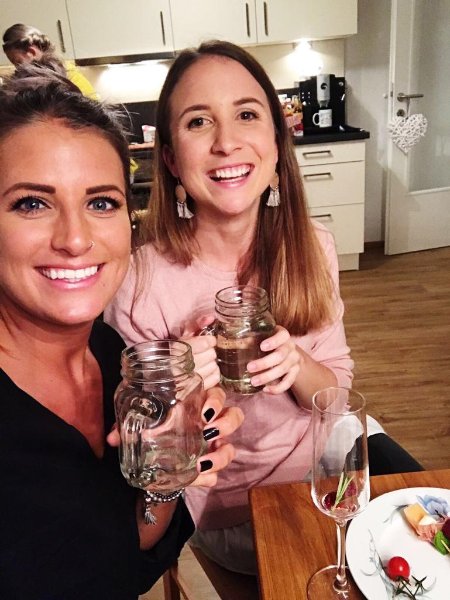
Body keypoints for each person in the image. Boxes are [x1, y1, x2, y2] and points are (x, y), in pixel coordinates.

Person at [105, 40, 423, 576]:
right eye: (199, 121)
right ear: (171, 159)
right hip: (236, 509)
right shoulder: (137, 283)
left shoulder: (313, 246)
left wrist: (297, 363)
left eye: (247, 115)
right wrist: (175, 391)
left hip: (328, 458)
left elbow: (336, 393)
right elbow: (145, 460)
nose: (227, 142)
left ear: (277, 143)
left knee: (425, 541)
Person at [0, 64, 243, 600]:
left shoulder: (115, 356)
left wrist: (164, 477)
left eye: (101, 202)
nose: (75, 239)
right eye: (32, 203)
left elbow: (126, 557)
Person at [2, 23, 98, 98]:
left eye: (18, 62)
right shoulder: (64, 67)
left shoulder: (61, 75)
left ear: (32, 52)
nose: (17, 68)